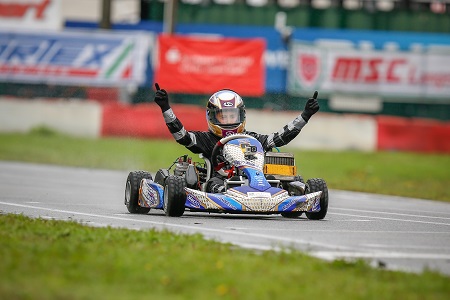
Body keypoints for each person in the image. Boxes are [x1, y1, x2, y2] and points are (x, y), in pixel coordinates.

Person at [154, 83, 319, 193]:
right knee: (214, 184)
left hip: (255, 182)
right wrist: (165, 108)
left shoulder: (252, 138)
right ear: (212, 117)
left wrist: (305, 116)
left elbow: (280, 138)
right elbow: (182, 136)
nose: (228, 121)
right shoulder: (206, 139)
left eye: (232, 116)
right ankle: (226, 194)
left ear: (241, 115)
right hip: (220, 185)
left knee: (276, 178)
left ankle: (280, 192)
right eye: (222, 117)